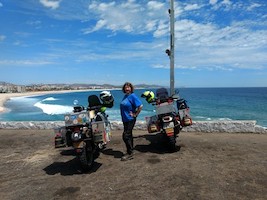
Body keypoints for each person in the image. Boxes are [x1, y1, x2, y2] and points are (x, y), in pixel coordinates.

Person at [120, 82, 143, 161]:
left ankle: (130, 153)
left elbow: (140, 106)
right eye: (126, 87)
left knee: (126, 135)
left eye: (128, 87)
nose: (127, 89)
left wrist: (135, 114)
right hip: (125, 119)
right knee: (129, 135)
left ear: (131, 88)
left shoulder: (133, 96)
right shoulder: (126, 96)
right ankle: (130, 151)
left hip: (130, 119)